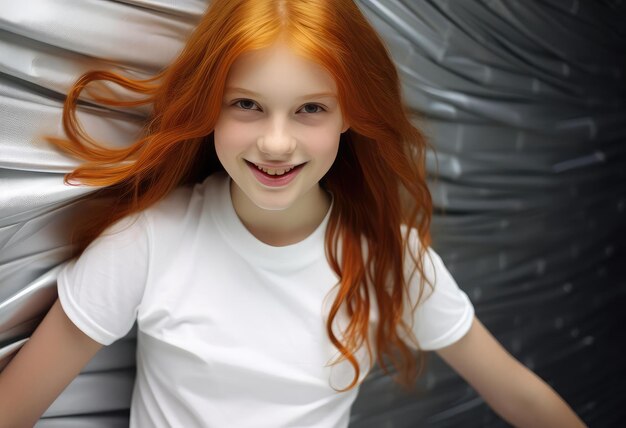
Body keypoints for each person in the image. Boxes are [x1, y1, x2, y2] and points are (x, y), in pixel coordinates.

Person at [0, 0, 586, 427]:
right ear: (213, 109)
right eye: (247, 105)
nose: (276, 143)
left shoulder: (390, 257)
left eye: (310, 108)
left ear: (349, 115)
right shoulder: (149, 242)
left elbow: (523, 398)